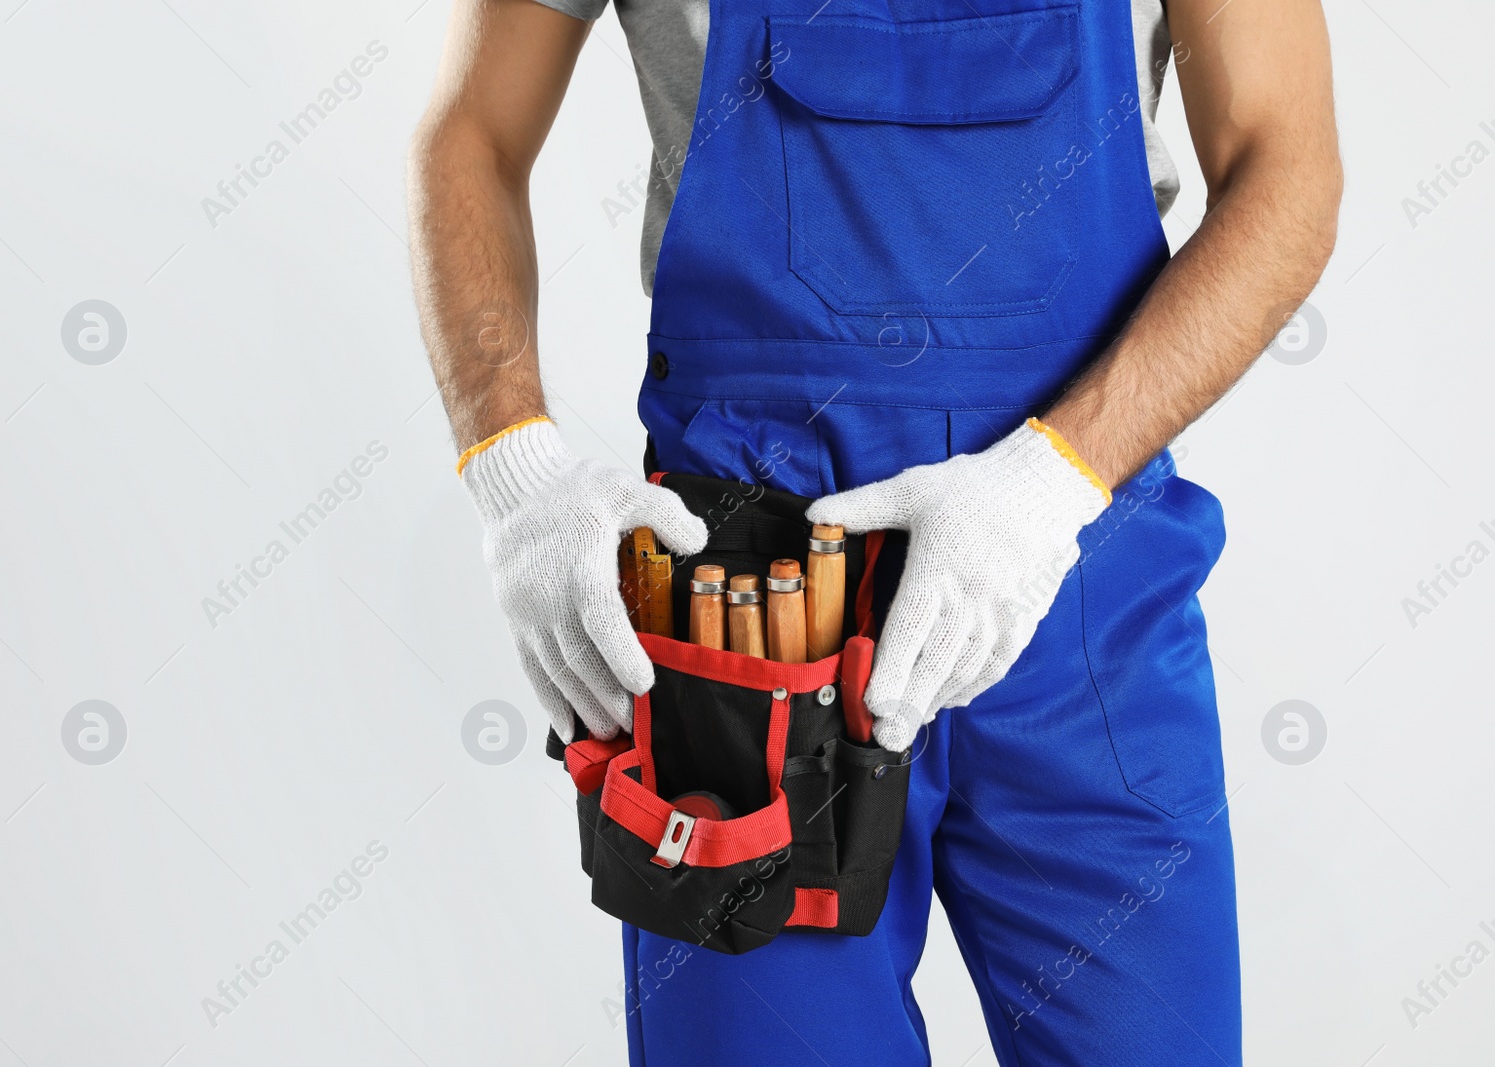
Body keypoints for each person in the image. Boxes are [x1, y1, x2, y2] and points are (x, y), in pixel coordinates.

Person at [408, 0, 1341, 1061]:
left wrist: (1046, 482)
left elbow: (1285, 169)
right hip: (749, 619)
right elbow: (472, 131)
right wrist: (513, 470)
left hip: (1074, 576)